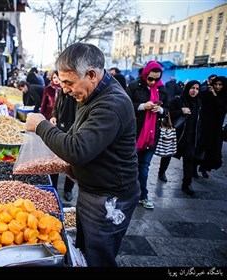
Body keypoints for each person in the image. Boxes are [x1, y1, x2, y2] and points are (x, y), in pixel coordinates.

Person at [25, 43, 140, 267]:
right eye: (62, 82)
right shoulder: (91, 94)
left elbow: (77, 149)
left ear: (91, 74)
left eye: (69, 82)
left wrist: (41, 125)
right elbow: (83, 137)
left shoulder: (111, 104)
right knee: (86, 251)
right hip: (93, 189)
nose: (65, 90)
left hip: (110, 197)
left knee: (99, 257)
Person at [125, 60, 168, 209]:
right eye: (150, 78)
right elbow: (125, 104)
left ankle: (143, 196)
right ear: (145, 75)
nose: (153, 82)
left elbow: (167, 109)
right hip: (134, 134)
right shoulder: (134, 87)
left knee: (144, 167)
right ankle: (128, 194)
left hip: (152, 136)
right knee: (131, 166)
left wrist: (161, 111)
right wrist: (143, 106)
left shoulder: (162, 89)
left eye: (157, 79)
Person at [169, 80, 202, 196]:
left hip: (191, 137)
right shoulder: (178, 100)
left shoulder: (199, 103)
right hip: (177, 135)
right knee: (168, 155)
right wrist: (181, 111)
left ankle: (187, 184)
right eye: (192, 88)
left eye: (197, 89)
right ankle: (161, 172)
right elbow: (168, 113)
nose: (194, 91)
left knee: (189, 160)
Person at [49, 86, 78, 202]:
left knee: (71, 162)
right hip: (60, 127)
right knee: (55, 160)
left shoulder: (79, 92)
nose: (65, 87)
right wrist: (54, 116)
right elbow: (56, 105)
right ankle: (53, 188)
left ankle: (68, 190)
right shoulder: (62, 91)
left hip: (74, 129)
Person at [196, 76, 227, 177]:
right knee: (201, 147)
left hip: (216, 128)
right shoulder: (207, 94)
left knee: (212, 149)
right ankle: (194, 168)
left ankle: (204, 168)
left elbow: (221, 108)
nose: (217, 87)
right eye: (216, 84)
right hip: (204, 125)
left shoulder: (224, 96)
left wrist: (214, 95)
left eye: (220, 85)